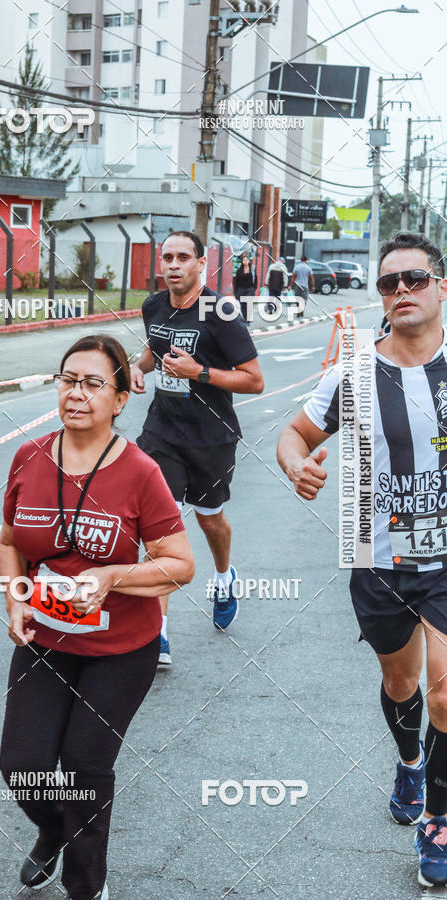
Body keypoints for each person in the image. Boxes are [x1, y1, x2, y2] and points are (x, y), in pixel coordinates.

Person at [276, 231, 447, 887]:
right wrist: (298, 467)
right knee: (403, 684)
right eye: (388, 283)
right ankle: (409, 760)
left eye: (414, 278)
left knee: (444, 690)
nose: (401, 291)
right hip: (379, 557)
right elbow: (295, 434)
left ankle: (437, 815)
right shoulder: (353, 372)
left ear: (440, 286)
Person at [0, 335, 194, 899]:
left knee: (85, 765)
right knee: (23, 765)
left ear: (120, 397)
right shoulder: (28, 458)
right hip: (46, 636)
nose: (76, 393)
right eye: (68, 379)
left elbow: (181, 566)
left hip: (122, 648)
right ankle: (55, 830)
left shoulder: (140, 473)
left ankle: (87, 886)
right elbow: (11, 541)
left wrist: (112, 576)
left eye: (92, 383)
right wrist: (15, 595)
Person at [131, 230, 264, 665]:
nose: (172, 265)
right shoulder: (153, 306)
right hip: (162, 433)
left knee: (210, 522)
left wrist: (199, 372)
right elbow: (154, 351)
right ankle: (160, 634)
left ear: (200, 263)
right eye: (166, 257)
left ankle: (224, 577)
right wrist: (136, 366)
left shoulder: (220, 311)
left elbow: (253, 379)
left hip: (212, 435)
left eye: (182, 257)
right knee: (159, 527)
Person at [233, 251, 258, 320]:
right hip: (241, 290)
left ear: (248, 261)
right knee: (243, 305)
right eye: (244, 260)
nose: (245, 261)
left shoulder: (252, 269)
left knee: (248, 304)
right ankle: (245, 318)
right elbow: (236, 281)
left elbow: (255, 279)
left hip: (250, 289)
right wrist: (236, 292)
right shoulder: (239, 270)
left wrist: (254, 288)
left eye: (246, 260)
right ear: (242, 261)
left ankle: (248, 319)